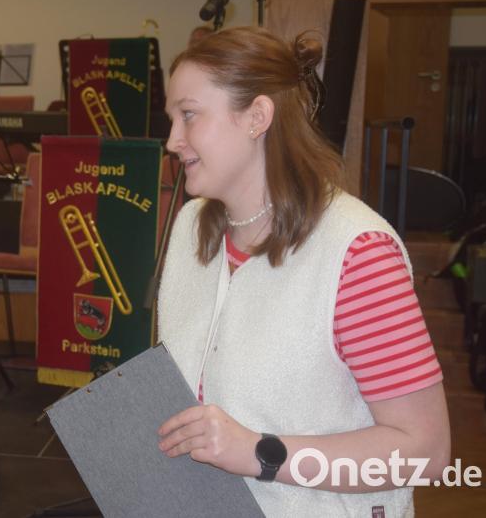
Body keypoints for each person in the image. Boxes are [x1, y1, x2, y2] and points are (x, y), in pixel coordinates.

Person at [156, 26, 450, 517]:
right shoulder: (192, 227)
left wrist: (257, 452)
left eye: (188, 116)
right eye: (171, 120)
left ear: (257, 117)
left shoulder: (358, 252)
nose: (172, 141)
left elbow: (425, 451)